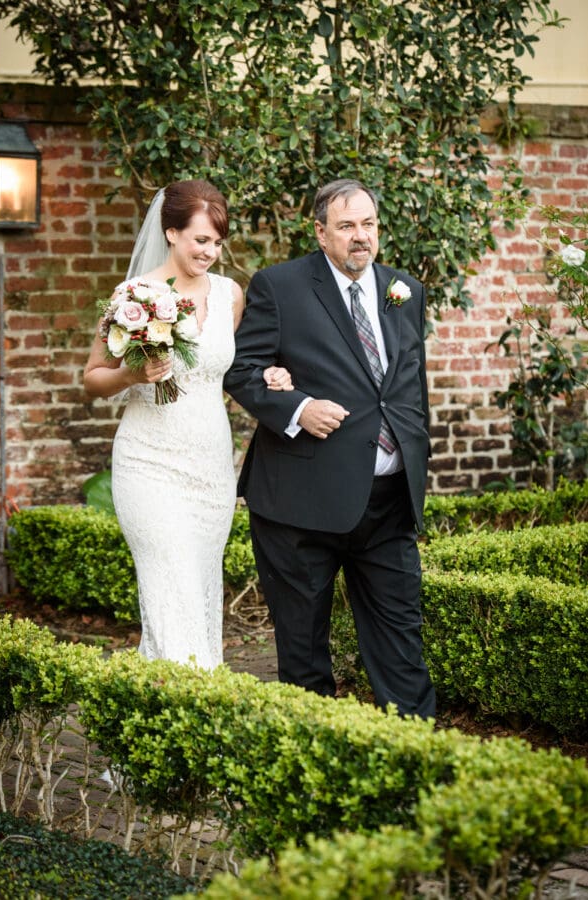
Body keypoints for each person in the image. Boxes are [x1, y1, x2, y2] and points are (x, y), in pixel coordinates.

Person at [224, 178, 435, 718]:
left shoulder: (403, 290)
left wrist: (416, 454)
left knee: (402, 648)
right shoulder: (280, 286)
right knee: (304, 657)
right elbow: (242, 371)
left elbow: (409, 387)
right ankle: (316, 779)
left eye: (368, 224)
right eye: (346, 226)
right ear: (321, 233)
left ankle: (416, 766)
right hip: (301, 507)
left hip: (388, 503)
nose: (359, 236)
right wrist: (297, 408)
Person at [84, 180, 291, 669]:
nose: (211, 252)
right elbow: (92, 379)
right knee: (168, 587)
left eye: (218, 242)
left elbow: (234, 367)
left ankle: (161, 713)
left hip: (210, 466)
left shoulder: (229, 295)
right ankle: (198, 700)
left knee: (196, 590)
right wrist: (131, 374)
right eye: (201, 240)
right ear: (171, 232)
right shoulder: (132, 297)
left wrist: (270, 373)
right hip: (149, 462)